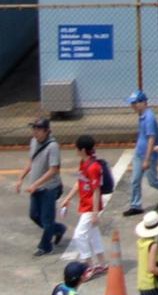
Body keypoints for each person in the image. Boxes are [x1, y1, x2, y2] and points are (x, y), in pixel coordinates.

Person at [19, 114, 64, 255]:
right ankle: (58, 229)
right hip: (36, 187)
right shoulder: (33, 142)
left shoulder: (53, 147)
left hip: (49, 188)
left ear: (46, 131)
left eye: (38, 129)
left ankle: (45, 246)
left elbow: (53, 169)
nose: (35, 131)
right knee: (34, 215)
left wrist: (35, 184)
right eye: (34, 128)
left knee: (47, 219)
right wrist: (21, 178)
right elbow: (31, 161)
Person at [67, 135, 109, 273]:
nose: (76, 151)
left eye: (77, 148)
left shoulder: (93, 168)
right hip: (87, 205)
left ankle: (88, 266)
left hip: (91, 207)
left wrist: (95, 213)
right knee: (93, 234)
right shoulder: (84, 163)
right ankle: (102, 263)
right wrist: (67, 198)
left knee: (79, 235)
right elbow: (79, 183)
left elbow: (96, 190)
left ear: (83, 150)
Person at [123, 91, 156, 216]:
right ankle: (135, 205)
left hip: (147, 155)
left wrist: (147, 159)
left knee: (153, 181)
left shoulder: (149, 118)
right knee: (135, 180)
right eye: (132, 103)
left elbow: (151, 139)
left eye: (135, 103)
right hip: (139, 153)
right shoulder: (142, 115)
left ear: (144, 102)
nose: (133, 106)